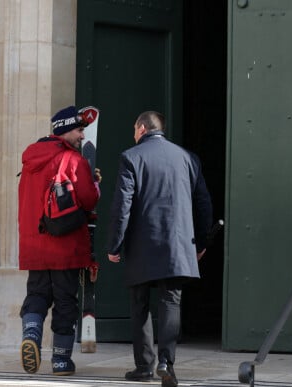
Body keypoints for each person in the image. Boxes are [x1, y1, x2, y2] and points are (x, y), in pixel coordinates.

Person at [107, 111, 213, 387]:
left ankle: (144, 366)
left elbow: (122, 207)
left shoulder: (131, 157)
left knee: (140, 305)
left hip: (142, 245)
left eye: (134, 128)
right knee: (171, 302)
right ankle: (167, 362)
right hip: (178, 245)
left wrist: (114, 244)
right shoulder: (188, 158)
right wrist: (199, 244)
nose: (133, 133)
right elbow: (203, 205)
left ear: (142, 128)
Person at [18, 105, 101, 376]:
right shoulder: (73, 160)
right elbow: (88, 200)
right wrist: (95, 183)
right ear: (66, 130)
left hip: (34, 243)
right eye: (79, 130)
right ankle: (61, 361)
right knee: (65, 301)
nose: (82, 136)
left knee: (37, 294)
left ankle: (31, 335)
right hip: (64, 244)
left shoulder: (29, 162)